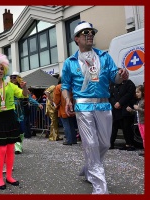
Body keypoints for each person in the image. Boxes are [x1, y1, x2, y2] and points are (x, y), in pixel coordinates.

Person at [61, 21, 129, 194]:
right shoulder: (70, 62)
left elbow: (116, 78)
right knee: (91, 143)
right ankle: (100, 187)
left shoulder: (104, 57)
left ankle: (88, 168)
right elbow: (65, 86)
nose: (89, 34)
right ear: (76, 39)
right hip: (83, 106)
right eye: (85, 32)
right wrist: (68, 100)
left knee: (105, 143)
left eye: (91, 32)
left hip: (104, 104)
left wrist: (122, 75)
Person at [0, 53, 28, 190]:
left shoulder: (9, 85)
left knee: (10, 149)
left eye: (1, 68)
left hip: (10, 117)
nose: (0, 71)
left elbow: (23, 95)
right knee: (1, 149)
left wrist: (24, 87)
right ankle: (0, 178)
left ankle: (9, 176)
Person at [109, 79, 136, 150]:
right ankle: (110, 143)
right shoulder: (113, 84)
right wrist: (114, 103)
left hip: (125, 108)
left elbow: (129, 95)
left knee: (126, 126)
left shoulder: (129, 83)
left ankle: (129, 144)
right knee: (114, 127)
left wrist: (120, 103)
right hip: (115, 109)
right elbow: (110, 95)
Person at [53, 77, 77, 145]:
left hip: (63, 108)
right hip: (71, 107)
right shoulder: (71, 86)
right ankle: (74, 140)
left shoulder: (58, 87)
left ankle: (68, 140)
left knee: (66, 125)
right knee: (71, 124)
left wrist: (56, 106)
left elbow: (56, 99)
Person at [126, 85, 145, 156]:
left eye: (138, 92)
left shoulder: (144, 101)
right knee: (143, 137)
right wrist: (132, 110)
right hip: (140, 122)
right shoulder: (139, 101)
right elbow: (138, 112)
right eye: (136, 92)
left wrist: (138, 108)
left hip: (144, 122)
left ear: (143, 92)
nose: (136, 94)